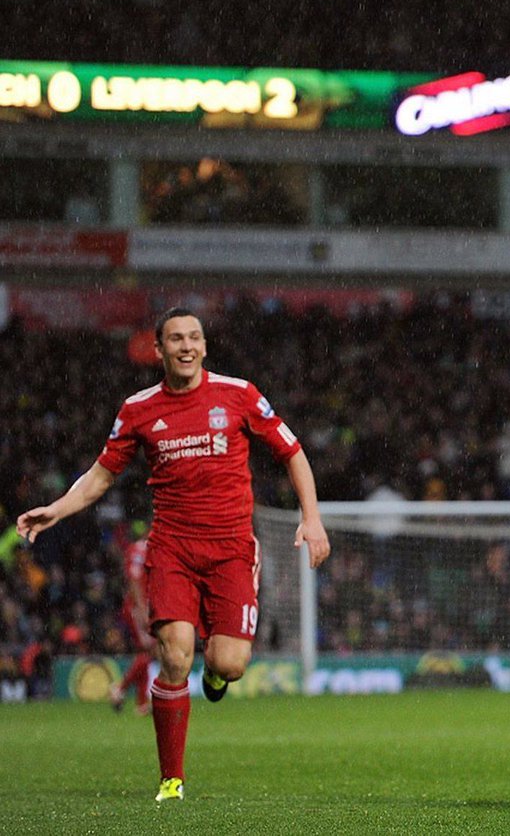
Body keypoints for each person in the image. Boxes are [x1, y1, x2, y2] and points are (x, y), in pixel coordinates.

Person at [17, 307, 329, 802]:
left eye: (194, 338)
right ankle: (172, 779)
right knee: (175, 657)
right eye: (175, 339)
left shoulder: (239, 395)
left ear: (204, 347)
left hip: (230, 550)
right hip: (172, 551)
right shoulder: (138, 410)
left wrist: (310, 517)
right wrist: (57, 509)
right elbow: (100, 475)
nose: (186, 346)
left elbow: (291, 451)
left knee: (229, 664)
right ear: (158, 350)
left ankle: (217, 674)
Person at [108, 529, 154, 716]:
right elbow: (134, 581)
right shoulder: (138, 550)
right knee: (150, 649)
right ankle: (119, 688)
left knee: (145, 652)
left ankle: (141, 703)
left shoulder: (149, 550)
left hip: (141, 605)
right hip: (136, 606)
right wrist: (141, 609)